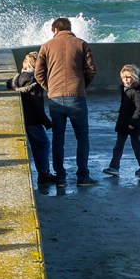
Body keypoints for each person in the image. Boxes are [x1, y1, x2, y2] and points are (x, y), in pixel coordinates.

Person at [35, 17, 98, 186]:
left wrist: (50, 88)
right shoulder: (81, 43)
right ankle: (83, 176)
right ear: (69, 28)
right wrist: (82, 85)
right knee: (82, 137)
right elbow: (91, 70)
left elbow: (38, 73)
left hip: (55, 98)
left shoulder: (46, 46)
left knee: (58, 138)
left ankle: (61, 177)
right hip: (77, 96)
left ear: (54, 30)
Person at [7, 51, 58, 188]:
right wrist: (48, 122)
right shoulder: (34, 80)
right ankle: (44, 174)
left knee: (37, 146)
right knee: (44, 144)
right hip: (33, 120)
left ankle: (43, 173)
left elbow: (8, 84)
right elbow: (36, 106)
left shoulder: (20, 77)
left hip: (24, 117)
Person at [103, 64, 140, 177]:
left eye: (129, 77)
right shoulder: (124, 88)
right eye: (124, 77)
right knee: (118, 145)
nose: (126, 80)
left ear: (134, 77)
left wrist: (133, 123)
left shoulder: (138, 90)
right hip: (123, 122)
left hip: (133, 123)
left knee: (136, 144)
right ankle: (114, 167)